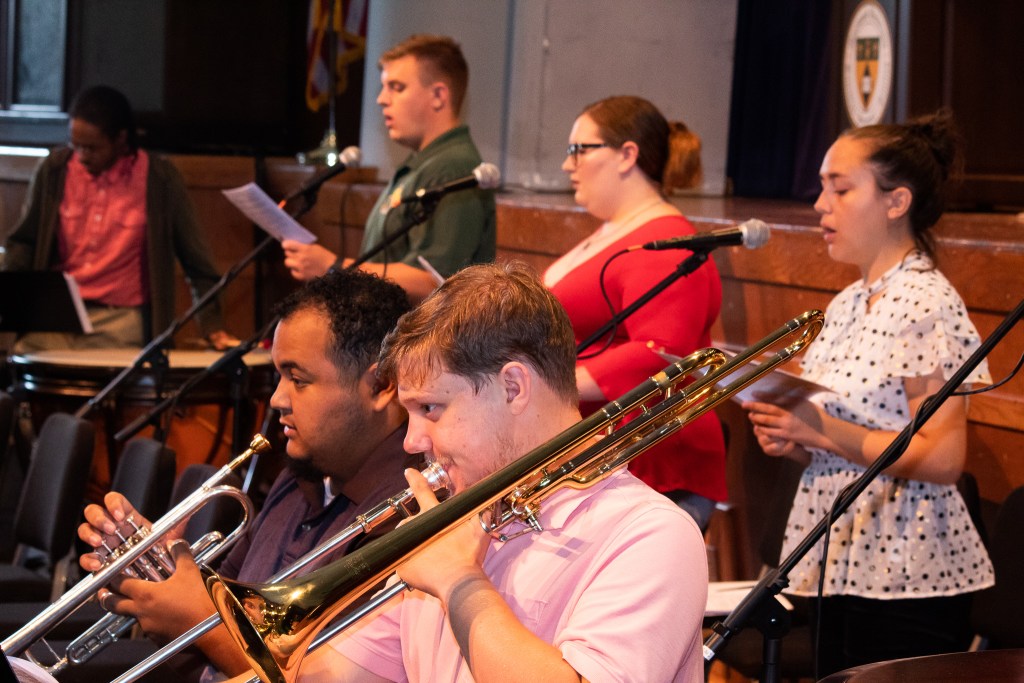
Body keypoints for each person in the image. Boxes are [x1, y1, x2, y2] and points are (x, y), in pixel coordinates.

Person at [270, 262, 708, 683]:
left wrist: (460, 582)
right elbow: (344, 674)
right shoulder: (462, 517)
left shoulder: (649, 534)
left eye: (430, 408)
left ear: (513, 388)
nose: (411, 441)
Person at [743, 110, 994, 675]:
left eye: (840, 187)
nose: (819, 204)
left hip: (909, 570)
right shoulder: (849, 302)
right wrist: (794, 437)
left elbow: (944, 456)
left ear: (895, 202)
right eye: (821, 188)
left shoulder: (926, 301)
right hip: (844, 559)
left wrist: (820, 428)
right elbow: (843, 436)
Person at [75, 268, 417, 679]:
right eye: (278, 376)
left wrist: (201, 625)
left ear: (381, 385)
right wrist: (162, 580)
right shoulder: (296, 479)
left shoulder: (407, 514)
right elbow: (207, 651)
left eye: (298, 379)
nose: (276, 398)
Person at [544, 95, 725, 531]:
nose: (568, 165)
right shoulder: (615, 232)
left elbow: (659, 354)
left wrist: (545, 387)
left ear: (627, 154)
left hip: (646, 455)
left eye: (579, 150)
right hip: (599, 450)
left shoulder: (668, 241)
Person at [2, 85, 233, 351]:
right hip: (58, 315)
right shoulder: (55, 170)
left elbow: (197, 262)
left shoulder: (159, 178)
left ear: (121, 140)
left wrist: (212, 326)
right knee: (25, 366)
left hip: (121, 319)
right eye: (75, 145)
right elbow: (23, 242)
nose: (81, 156)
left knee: (111, 378)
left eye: (91, 148)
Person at [281, 34, 496, 302]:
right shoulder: (423, 163)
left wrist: (333, 265)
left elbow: (436, 281)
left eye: (396, 87)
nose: (382, 99)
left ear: (439, 95)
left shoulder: (452, 167)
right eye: (384, 87)